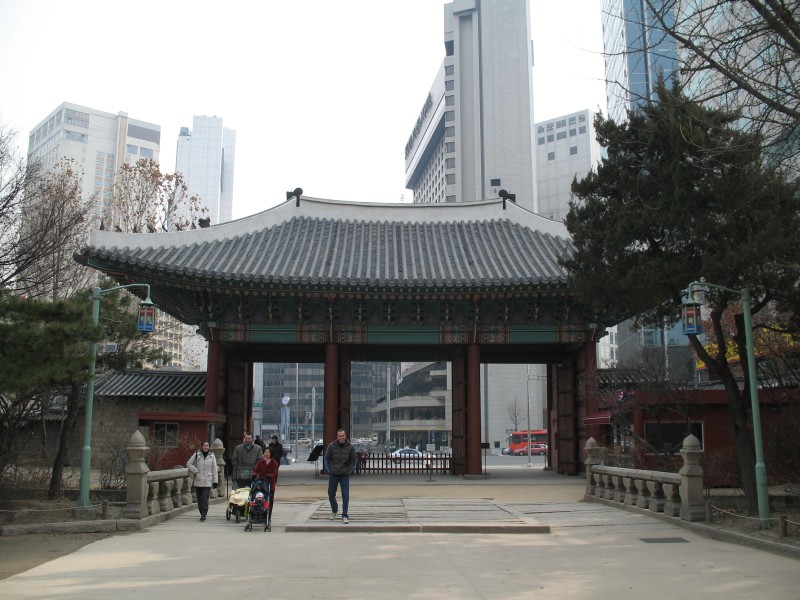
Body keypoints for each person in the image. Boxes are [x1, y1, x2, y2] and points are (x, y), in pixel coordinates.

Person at [323, 429, 356, 524]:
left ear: (345, 436)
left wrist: (349, 471)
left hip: (344, 474)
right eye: (339, 436)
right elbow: (326, 458)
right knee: (331, 494)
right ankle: (334, 509)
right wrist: (329, 470)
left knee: (345, 495)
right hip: (333, 474)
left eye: (343, 436)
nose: (341, 437)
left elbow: (354, 460)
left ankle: (345, 515)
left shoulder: (350, 447)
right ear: (337, 437)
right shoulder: (332, 446)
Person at [187, 440, 218, 521]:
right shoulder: (197, 454)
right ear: (202, 446)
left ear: (209, 447)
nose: (206, 447)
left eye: (207, 446)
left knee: (204, 497)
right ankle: (201, 512)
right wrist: (195, 470)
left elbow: (214, 469)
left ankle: (204, 513)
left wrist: (215, 481)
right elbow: (188, 464)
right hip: (198, 479)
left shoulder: (212, 456)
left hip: (208, 480)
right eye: (204, 445)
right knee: (199, 498)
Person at [251, 447, 279, 521]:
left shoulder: (274, 463)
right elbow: (255, 470)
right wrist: (254, 474)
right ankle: (257, 513)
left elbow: (275, 473)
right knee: (258, 498)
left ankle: (268, 516)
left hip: (270, 484)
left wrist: (270, 475)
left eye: (268, 452)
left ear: (271, 454)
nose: (266, 454)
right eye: (265, 452)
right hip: (261, 484)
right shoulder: (260, 462)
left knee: (269, 500)